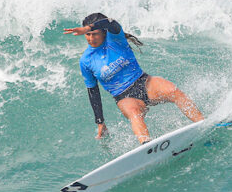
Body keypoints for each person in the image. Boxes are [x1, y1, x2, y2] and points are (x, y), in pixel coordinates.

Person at [64, 13, 204, 144]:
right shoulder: (86, 60)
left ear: (104, 32)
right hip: (124, 96)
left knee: (174, 91)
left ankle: (203, 124)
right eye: (87, 35)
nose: (90, 38)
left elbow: (111, 22)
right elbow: (92, 91)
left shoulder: (115, 38)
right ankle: (147, 146)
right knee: (134, 113)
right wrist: (100, 121)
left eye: (94, 34)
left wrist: (88, 27)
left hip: (144, 82)